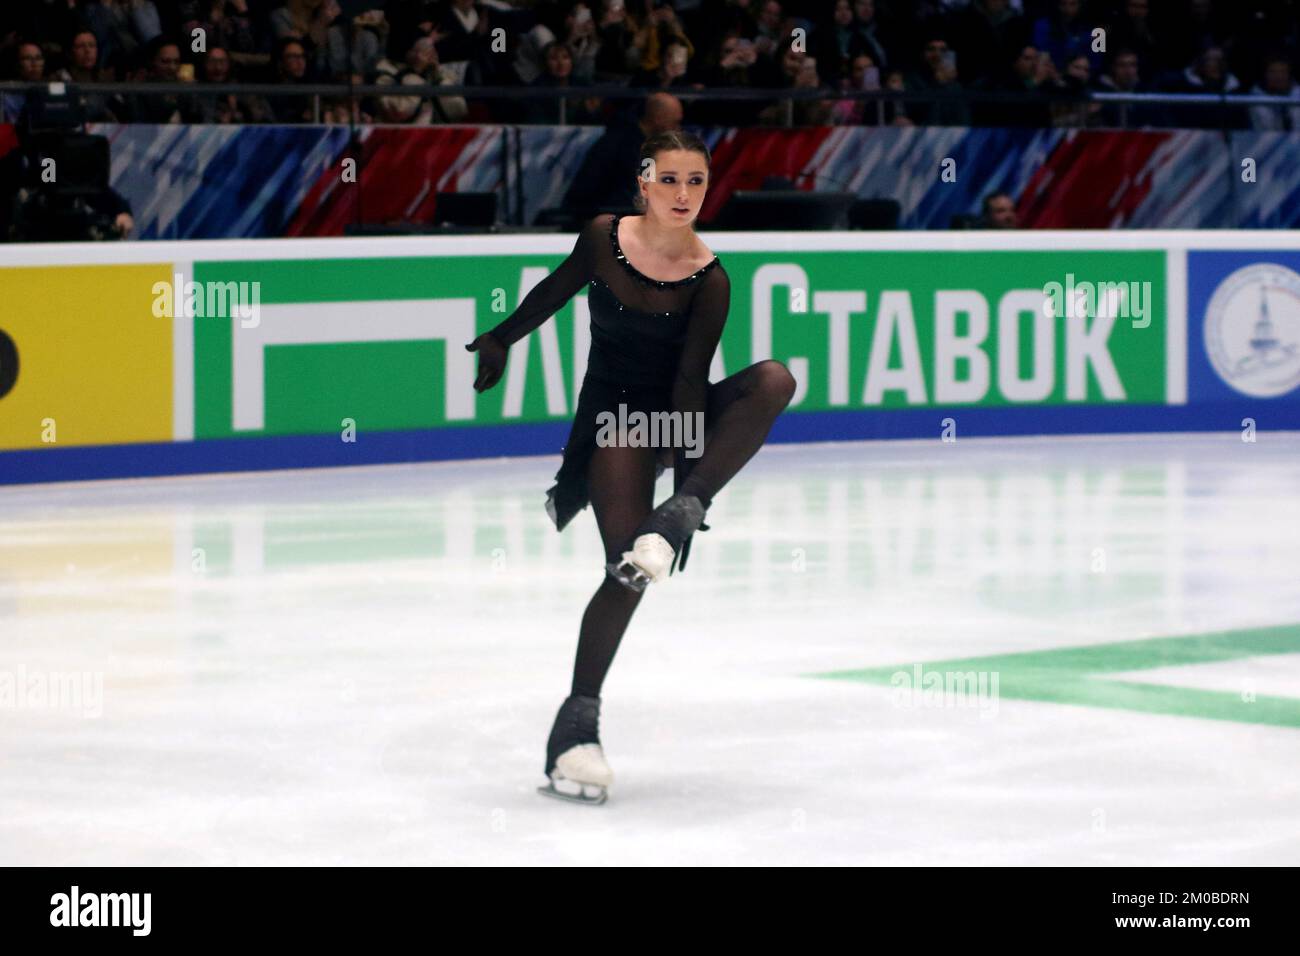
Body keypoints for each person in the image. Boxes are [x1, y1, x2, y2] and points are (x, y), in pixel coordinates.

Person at [464, 130, 796, 803]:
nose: (683, 195)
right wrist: (501, 337)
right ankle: (576, 729)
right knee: (627, 570)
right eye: (670, 180)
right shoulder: (602, 237)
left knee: (774, 380)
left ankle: (686, 509)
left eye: (696, 182)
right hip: (615, 423)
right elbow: (555, 292)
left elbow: (688, 381)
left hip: (677, 415)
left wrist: (681, 498)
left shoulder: (711, 278)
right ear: (644, 183)